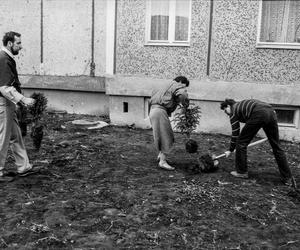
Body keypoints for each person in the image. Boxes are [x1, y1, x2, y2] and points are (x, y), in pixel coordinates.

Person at [220, 98, 293, 185]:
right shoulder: (241, 105)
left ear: (228, 106)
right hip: (271, 111)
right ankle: (287, 178)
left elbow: (235, 133)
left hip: (259, 113)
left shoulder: (233, 110)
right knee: (276, 146)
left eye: (225, 111)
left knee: (241, 143)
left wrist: (230, 150)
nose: (227, 114)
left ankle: (241, 172)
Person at [0, 31, 35, 182]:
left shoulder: (6, 58)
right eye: (18, 43)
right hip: (4, 103)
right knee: (3, 138)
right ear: (10, 43)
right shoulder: (4, 59)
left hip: (8, 103)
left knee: (16, 136)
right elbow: (4, 88)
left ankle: (23, 166)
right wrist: (23, 100)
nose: (21, 46)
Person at [149, 76, 190, 170]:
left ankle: (160, 155)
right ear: (180, 82)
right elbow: (183, 94)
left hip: (153, 110)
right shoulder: (176, 85)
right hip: (160, 111)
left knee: (160, 134)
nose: (183, 88)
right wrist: (185, 105)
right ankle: (162, 161)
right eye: (183, 86)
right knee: (167, 136)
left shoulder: (162, 84)